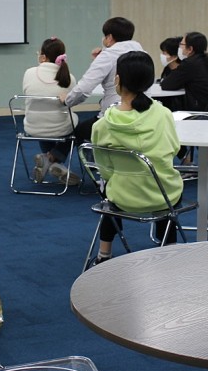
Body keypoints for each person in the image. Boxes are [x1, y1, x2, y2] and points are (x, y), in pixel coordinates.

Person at [89, 51, 182, 263]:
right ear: (150, 81)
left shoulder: (102, 124)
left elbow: (104, 169)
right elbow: (174, 149)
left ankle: (104, 255)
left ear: (117, 80)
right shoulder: (164, 114)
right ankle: (170, 249)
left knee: (109, 195)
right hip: (164, 195)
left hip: (123, 197)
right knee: (164, 184)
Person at [61, 17, 144, 146]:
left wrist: (68, 100)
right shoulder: (143, 54)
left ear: (109, 37)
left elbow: (84, 88)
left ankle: (90, 165)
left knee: (79, 131)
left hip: (114, 116)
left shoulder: (108, 56)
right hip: (142, 116)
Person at [22, 37, 79, 186]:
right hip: (58, 127)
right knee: (75, 124)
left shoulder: (29, 73)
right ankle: (54, 159)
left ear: (42, 56)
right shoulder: (69, 78)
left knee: (44, 116)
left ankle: (49, 159)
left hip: (33, 126)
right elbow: (72, 101)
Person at [159, 31, 208, 111]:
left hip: (200, 110)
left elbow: (166, 85)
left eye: (181, 45)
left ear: (190, 49)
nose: (179, 48)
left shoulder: (190, 64)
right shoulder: (207, 59)